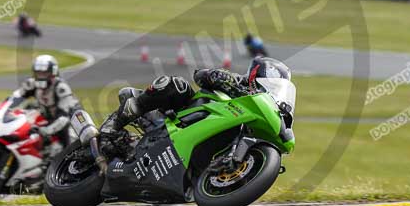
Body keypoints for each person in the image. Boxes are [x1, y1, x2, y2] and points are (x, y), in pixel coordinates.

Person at [99, 56, 293, 158]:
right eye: (270, 85)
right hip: (182, 115)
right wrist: (220, 77)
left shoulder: (263, 114)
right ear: (257, 76)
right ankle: (114, 123)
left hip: (207, 135)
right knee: (175, 85)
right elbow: (199, 75)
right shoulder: (238, 82)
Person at [7, 54, 81, 158]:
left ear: (53, 73)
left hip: (67, 122)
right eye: (38, 73)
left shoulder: (61, 88)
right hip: (45, 117)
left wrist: (47, 130)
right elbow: (14, 98)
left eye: (44, 73)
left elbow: (64, 118)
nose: (41, 76)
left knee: (67, 150)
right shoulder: (32, 83)